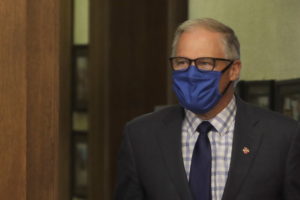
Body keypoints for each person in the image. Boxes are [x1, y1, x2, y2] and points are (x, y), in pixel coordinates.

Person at [115, 18, 300, 200]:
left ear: (234, 70)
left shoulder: (282, 137)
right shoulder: (141, 136)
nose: (191, 74)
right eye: (182, 62)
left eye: (205, 63)